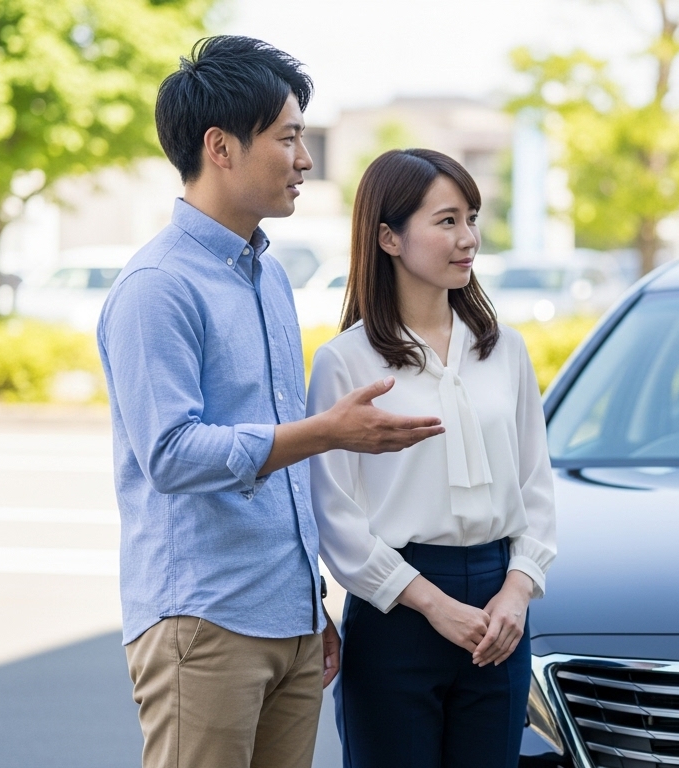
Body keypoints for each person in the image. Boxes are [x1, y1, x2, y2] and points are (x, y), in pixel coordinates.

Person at [98, 37, 445, 768]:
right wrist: (326, 433)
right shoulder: (158, 287)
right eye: (288, 137)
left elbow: (280, 477)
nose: (305, 158)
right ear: (220, 147)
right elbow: (171, 454)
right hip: (204, 621)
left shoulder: (268, 276)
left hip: (286, 620)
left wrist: (306, 605)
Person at [307, 148, 556, 768]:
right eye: (446, 221)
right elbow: (335, 516)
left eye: (471, 218)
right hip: (397, 612)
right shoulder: (347, 362)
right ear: (388, 237)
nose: (467, 238)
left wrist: (518, 591)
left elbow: (537, 488)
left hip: (499, 613)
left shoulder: (506, 351)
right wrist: (432, 605)